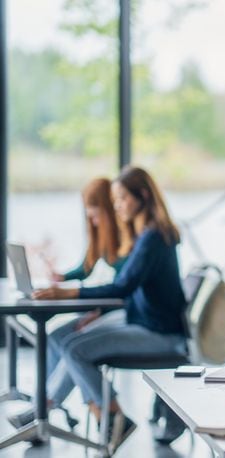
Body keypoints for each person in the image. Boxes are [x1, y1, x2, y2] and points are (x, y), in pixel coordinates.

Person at [30, 166, 188, 452]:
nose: (116, 207)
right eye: (114, 200)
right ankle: (49, 408)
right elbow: (124, 287)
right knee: (70, 342)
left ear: (142, 195)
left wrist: (68, 291)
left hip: (160, 333)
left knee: (75, 348)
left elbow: (122, 287)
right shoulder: (145, 235)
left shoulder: (153, 237)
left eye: (122, 199)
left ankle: (108, 416)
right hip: (144, 324)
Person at [7, 178, 131, 430]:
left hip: (123, 311)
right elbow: (85, 268)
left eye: (95, 215)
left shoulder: (128, 238)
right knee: (55, 337)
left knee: (71, 344)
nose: (93, 221)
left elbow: (126, 288)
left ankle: (45, 408)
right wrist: (61, 278)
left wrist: (100, 311)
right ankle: (48, 407)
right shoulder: (103, 236)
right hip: (110, 308)